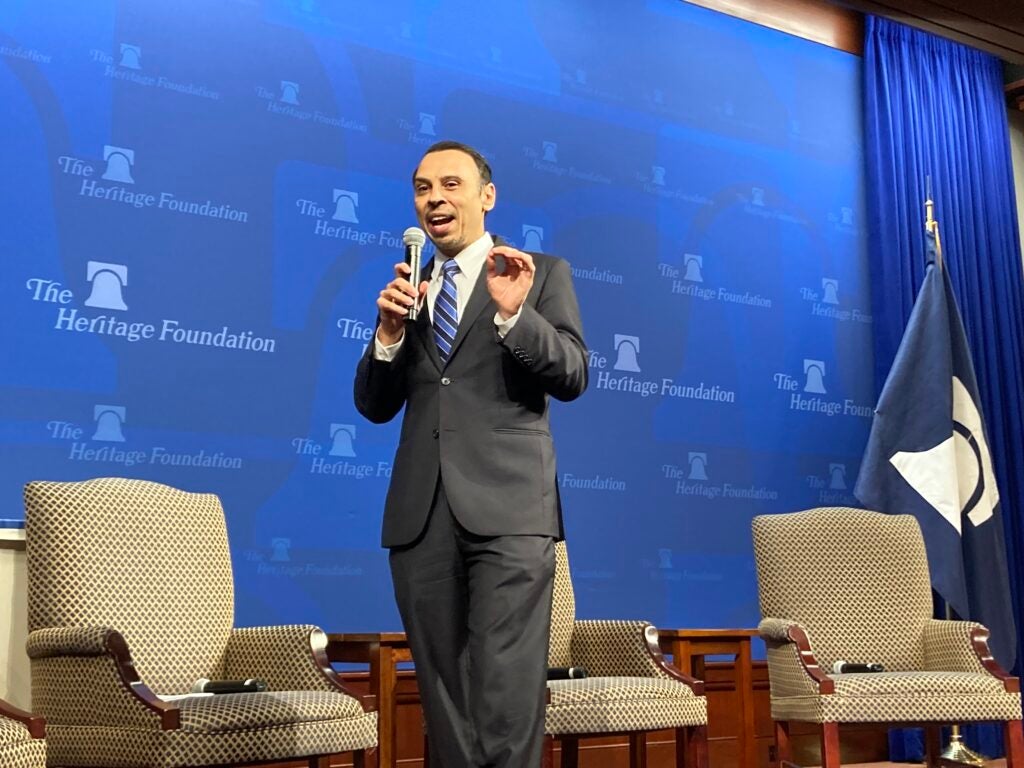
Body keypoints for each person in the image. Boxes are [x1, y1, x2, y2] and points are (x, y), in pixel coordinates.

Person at [354, 140, 588, 767]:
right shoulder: (410, 287)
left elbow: (572, 374)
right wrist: (388, 336)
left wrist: (515, 318)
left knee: (507, 687)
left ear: (486, 197)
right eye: (423, 188)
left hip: (511, 511)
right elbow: (374, 406)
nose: (435, 199)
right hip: (422, 514)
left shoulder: (538, 273)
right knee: (443, 694)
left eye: (451, 185)